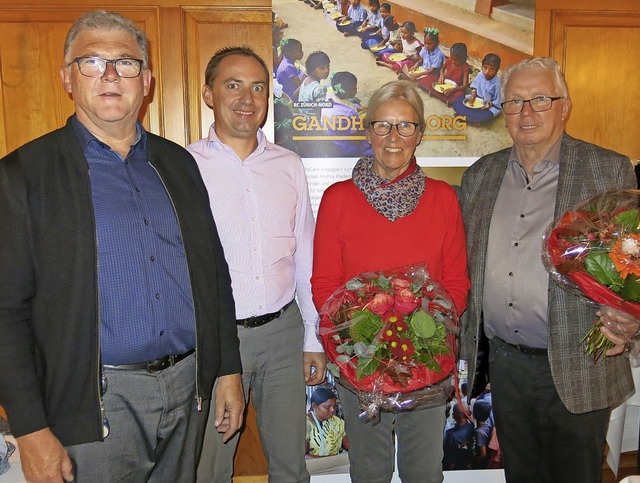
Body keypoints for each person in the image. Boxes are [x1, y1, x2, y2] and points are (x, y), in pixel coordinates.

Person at [0, 10, 243, 482]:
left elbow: (213, 274)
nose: (110, 74)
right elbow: (5, 312)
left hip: (188, 386)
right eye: (91, 62)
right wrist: (31, 430)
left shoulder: (178, 164)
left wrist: (226, 369)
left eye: (125, 63)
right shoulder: (22, 177)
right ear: (67, 78)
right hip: (95, 401)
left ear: (146, 81)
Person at [459, 56, 638, 483]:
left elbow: (634, 260)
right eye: (515, 102)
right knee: (520, 474)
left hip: (580, 362)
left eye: (540, 99)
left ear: (565, 106)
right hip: (505, 366)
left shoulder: (607, 169)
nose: (526, 113)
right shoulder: (480, 176)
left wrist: (631, 317)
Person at [312, 80, 470, 483]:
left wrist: (422, 339)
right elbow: (326, 285)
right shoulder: (337, 199)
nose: (393, 137)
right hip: (361, 362)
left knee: (423, 473)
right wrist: (364, 340)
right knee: (369, 472)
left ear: (420, 133)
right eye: (383, 125)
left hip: (428, 359)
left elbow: (456, 282)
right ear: (368, 132)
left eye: (405, 126)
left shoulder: (443, 198)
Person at [187, 46, 326, 483]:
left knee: (291, 465)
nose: (247, 98)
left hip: (284, 334)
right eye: (233, 85)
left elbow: (305, 254)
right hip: (218, 340)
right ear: (209, 95)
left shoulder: (289, 166)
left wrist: (313, 337)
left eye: (258, 88)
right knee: (210, 467)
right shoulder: (184, 166)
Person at [453, 53, 502, 125]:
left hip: (487, 107)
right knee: (457, 101)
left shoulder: (498, 84)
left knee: (484, 116)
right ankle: (471, 119)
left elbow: (498, 102)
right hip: (477, 98)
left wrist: (490, 104)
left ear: (497, 70)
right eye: (485, 68)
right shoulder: (480, 75)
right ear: (482, 67)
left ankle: (467, 118)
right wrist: (473, 94)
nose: (487, 72)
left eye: (491, 69)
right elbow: (475, 86)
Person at [420, 42, 470, 106]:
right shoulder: (449, 60)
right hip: (445, 82)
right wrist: (441, 75)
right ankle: (443, 96)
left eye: (456, 60)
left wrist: (452, 90)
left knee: (459, 95)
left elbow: (465, 86)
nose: (453, 62)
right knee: (430, 78)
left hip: (456, 88)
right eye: (452, 59)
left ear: (463, 58)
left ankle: (437, 94)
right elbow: (442, 69)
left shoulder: (465, 68)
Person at [306, 388, 350, 457]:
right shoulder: (305, 424)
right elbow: (302, 456)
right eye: (327, 407)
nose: (332, 410)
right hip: (312, 465)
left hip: (334, 464)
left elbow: (348, 446)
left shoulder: (337, 422)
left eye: (334, 406)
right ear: (314, 406)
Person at [442, 402, 474, 471]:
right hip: (468, 465)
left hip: (456, 468)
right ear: (469, 413)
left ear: (453, 416)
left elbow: (451, 459)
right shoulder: (472, 426)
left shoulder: (451, 435)